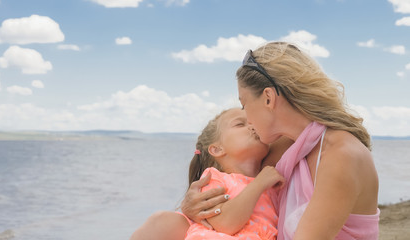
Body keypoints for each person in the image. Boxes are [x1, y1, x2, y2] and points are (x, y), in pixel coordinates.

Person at [131, 41, 380, 240]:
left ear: (269, 99)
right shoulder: (282, 148)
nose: (248, 119)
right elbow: (233, 187)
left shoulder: (341, 155)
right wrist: (191, 207)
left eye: (244, 104)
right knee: (163, 223)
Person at [131, 108, 286, 240]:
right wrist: (259, 183)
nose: (252, 126)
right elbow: (224, 224)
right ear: (217, 149)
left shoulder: (272, 182)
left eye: (253, 122)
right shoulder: (214, 178)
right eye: (240, 124)